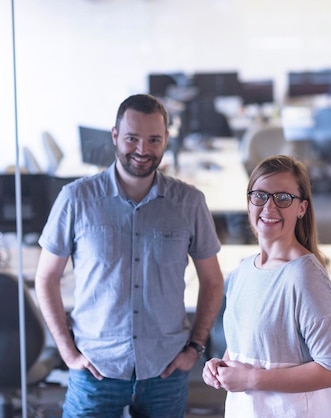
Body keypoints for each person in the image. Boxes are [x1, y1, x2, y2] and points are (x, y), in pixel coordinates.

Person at [34, 93, 225, 417]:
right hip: (96, 367)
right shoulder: (77, 198)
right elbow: (46, 278)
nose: (142, 150)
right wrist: (68, 353)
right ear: (115, 136)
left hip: (165, 367)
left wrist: (195, 348)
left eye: (153, 139)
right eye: (132, 138)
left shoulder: (189, 202)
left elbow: (212, 280)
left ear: (166, 139)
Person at [202, 155, 331, 417]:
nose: (269, 207)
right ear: (249, 203)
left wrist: (250, 379)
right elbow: (245, 346)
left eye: (283, 198)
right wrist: (222, 366)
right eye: (260, 196)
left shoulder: (305, 277)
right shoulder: (242, 272)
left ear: (302, 208)